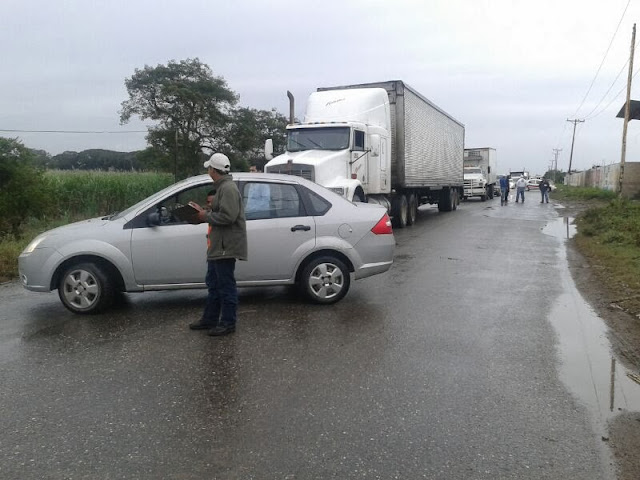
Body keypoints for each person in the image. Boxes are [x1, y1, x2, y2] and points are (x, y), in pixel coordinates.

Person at [188, 153, 247, 336]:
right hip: (218, 247)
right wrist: (202, 211)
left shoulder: (228, 188)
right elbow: (221, 211)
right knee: (214, 284)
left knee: (225, 286)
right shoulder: (223, 187)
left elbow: (229, 216)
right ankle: (210, 319)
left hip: (224, 247)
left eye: (209, 168)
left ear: (213, 170)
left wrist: (204, 216)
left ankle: (228, 323)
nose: (208, 171)